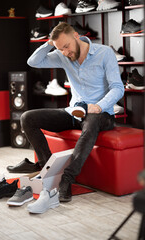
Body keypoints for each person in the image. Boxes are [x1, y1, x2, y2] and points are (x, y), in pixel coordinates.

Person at [9, 22, 124, 202]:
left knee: (92, 120)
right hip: (74, 111)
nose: (64, 52)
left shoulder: (104, 53)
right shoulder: (62, 55)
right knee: (27, 117)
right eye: (59, 48)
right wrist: (49, 44)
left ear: (76, 36)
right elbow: (33, 61)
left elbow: (118, 88)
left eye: (66, 46)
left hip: (101, 114)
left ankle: (67, 179)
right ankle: (49, 171)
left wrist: (98, 106)